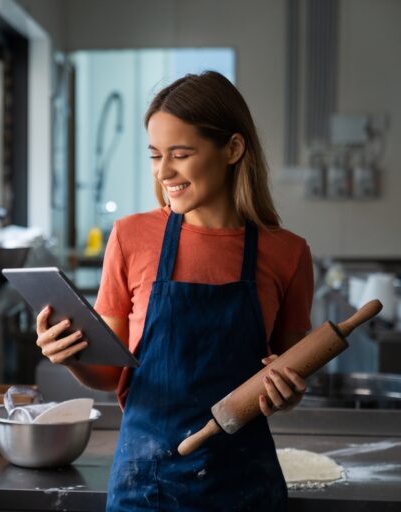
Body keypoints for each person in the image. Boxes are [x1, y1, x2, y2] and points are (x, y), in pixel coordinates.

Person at [35, 71, 313, 511]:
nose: (164, 171)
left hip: (245, 485)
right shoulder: (130, 237)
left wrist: (289, 391)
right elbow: (110, 375)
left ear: (233, 149)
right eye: (155, 155)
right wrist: (69, 357)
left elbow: (290, 373)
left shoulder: (288, 253)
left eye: (181, 154)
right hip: (145, 485)